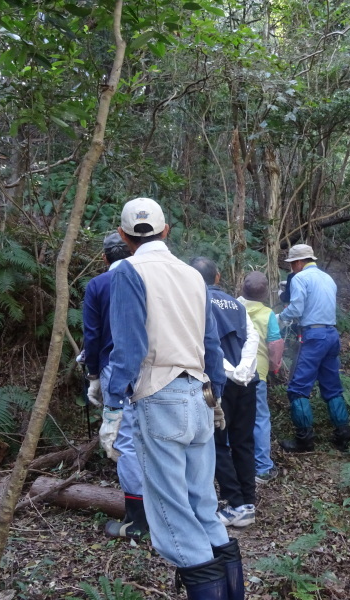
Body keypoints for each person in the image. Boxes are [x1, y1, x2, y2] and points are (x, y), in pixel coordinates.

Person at [106, 198, 243, 600]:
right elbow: (211, 344)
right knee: (203, 504)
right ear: (167, 230)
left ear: (123, 236)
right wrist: (215, 396)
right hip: (199, 395)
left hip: (160, 397)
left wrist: (113, 406)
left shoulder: (127, 272)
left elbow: (129, 347)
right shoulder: (192, 275)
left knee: (172, 516)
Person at [82, 233, 148, 540]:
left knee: (125, 442)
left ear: (105, 258)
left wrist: (93, 374)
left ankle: (137, 520)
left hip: (115, 370)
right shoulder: (150, 278)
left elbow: (92, 336)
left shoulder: (99, 285)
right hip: (155, 370)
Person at [191, 257, 260, 529]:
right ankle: (248, 502)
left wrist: (227, 372)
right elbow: (252, 338)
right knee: (244, 441)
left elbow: (204, 344)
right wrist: (243, 370)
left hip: (216, 383)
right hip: (247, 382)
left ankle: (235, 503)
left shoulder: (195, 302)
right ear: (218, 277)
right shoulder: (237, 304)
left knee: (217, 443)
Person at [276, 244, 350, 452]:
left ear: (299, 262)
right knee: (332, 385)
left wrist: (280, 319)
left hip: (314, 336)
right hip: (331, 334)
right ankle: (343, 433)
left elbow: (296, 308)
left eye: (292, 264)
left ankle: (304, 440)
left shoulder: (301, 278)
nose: (292, 268)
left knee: (297, 389)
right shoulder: (328, 278)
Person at [237, 271, 284, 484]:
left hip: (232, 370)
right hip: (257, 372)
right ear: (265, 294)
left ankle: (232, 462)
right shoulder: (268, 315)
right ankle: (262, 467)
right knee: (260, 418)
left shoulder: (233, 307)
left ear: (242, 288)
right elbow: (274, 345)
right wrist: (276, 367)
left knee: (233, 416)